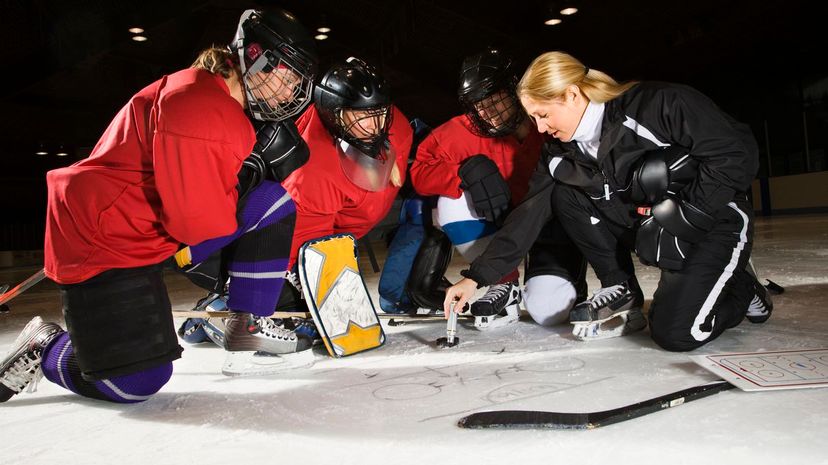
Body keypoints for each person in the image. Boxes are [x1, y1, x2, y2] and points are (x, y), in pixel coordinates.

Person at [0, 8, 317, 403]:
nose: (291, 93)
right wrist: (244, 180)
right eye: (287, 77)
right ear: (257, 59)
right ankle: (46, 345)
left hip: (149, 228)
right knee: (135, 383)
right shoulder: (201, 105)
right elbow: (196, 226)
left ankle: (246, 324)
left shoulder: (215, 99)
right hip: (106, 239)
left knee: (272, 203)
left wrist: (247, 180)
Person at [445, 51, 773, 351]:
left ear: (571, 94)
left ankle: (742, 289)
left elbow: (736, 152)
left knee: (678, 334)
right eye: (534, 119)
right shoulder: (559, 152)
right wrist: (477, 277)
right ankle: (621, 287)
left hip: (713, 218)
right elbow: (528, 213)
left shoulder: (657, 104)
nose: (541, 128)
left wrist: (690, 214)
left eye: (543, 115)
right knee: (565, 193)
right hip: (654, 229)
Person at [409, 48, 586, 330]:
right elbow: (419, 171)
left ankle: (562, 272)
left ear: (514, 91)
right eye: (477, 104)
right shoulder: (461, 130)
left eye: (493, 99)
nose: (485, 111)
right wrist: (463, 174)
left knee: (549, 312)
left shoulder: (548, 119)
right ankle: (505, 284)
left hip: (548, 225)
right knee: (448, 204)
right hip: (502, 227)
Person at [275, 57, 413, 312]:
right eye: (362, 117)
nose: (375, 127)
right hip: (295, 236)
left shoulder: (398, 127)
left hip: (350, 227)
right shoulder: (313, 166)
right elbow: (306, 235)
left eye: (379, 114)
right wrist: (310, 275)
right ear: (335, 116)